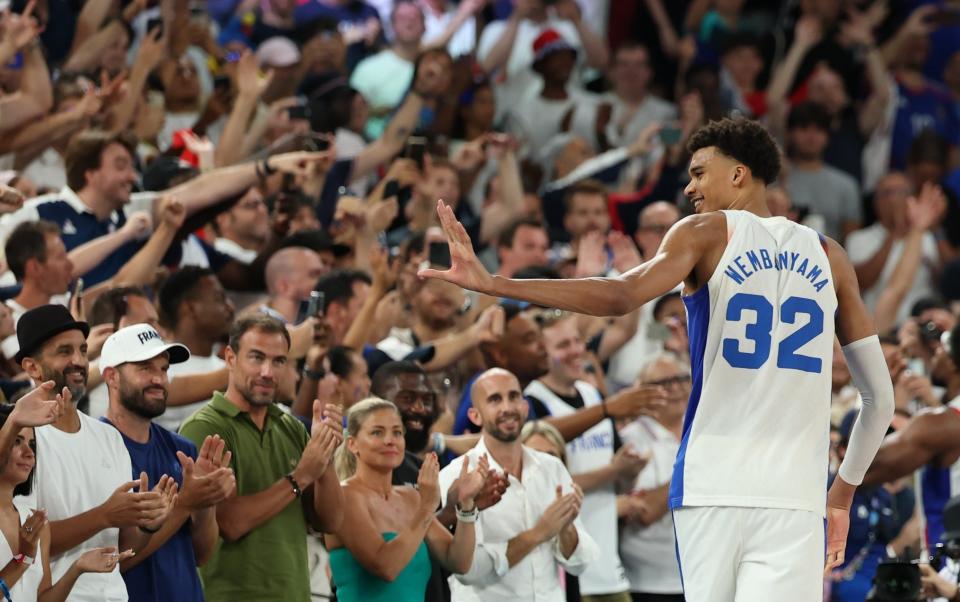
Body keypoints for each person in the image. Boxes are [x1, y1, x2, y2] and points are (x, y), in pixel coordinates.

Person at [422, 118, 896, 600]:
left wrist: (498, 284)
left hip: (713, 485)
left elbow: (619, 296)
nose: (689, 187)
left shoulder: (706, 232)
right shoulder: (829, 254)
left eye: (698, 173)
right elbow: (880, 400)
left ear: (737, 175)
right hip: (795, 497)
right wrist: (842, 492)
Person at [14, 304, 177, 602]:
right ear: (31, 367)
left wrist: (148, 523)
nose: (78, 360)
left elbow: (123, 545)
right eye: (64, 351)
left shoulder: (109, 437)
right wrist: (104, 515)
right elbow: (21, 539)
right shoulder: (20, 437)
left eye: (83, 350)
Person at [178, 314, 344, 602]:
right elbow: (229, 523)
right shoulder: (204, 427)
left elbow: (329, 522)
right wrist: (301, 475)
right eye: (256, 358)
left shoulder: (291, 427)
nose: (268, 372)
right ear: (230, 358)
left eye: (279, 361)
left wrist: (325, 454)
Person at [98, 323, 237, 601]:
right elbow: (115, 560)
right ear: (112, 377)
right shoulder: (94, 447)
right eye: (145, 368)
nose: (159, 379)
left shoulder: (182, 449)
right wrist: (185, 502)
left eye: (163, 369)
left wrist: (205, 502)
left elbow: (202, 554)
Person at [438, 367, 599, 600]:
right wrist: (538, 533)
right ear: (475, 416)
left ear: (525, 407)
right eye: (495, 399)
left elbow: (579, 563)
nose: (507, 408)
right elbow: (468, 569)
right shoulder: (457, 476)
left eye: (514, 396)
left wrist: (565, 527)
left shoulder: (552, 468)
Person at [327, 397, 485, 601]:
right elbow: (386, 566)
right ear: (352, 444)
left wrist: (466, 507)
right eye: (377, 432)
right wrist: (427, 508)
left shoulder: (411, 498)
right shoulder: (344, 496)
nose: (390, 440)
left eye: (397, 432)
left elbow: (458, 561)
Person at [0, 385, 134, 601]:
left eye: (32, 444)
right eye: (17, 441)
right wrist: (23, 559)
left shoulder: (36, 523)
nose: (28, 452)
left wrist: (78, 568)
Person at [861, 322, 960, 547]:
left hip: (950, 567)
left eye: (942, 348)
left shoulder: (941, 424)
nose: (935, 353)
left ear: (954, 362)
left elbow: (864, 470)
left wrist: (883, 398)